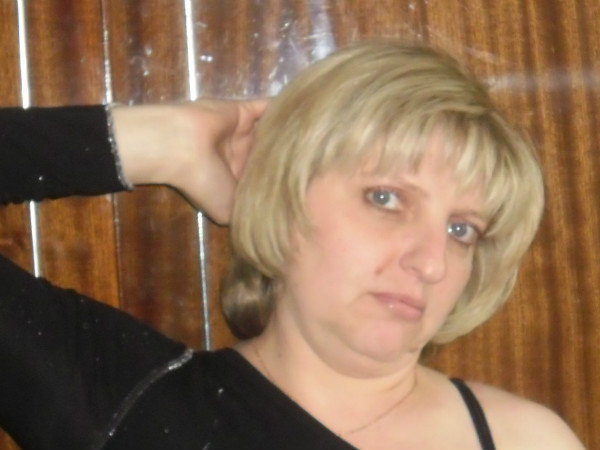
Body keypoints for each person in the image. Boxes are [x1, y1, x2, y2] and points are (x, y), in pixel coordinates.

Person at [0, 42, 585, 450]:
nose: (431, 263)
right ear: (283, 197)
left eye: (462, 231)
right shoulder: (132, 404)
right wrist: (163, 144)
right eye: (385, 198)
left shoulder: (526, 441)